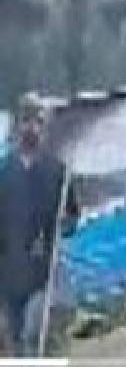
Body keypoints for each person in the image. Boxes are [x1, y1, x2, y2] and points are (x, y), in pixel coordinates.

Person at [0, 96, 78, 357]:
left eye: (36, 121)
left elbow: (72, 216)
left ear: (43, 126)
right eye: (26, 121)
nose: (30, 127)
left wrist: (65, 225)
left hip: (44, 274)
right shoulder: (4, 171)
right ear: (18, 125)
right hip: (9, 274)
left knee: (35, 335)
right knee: (15, 343)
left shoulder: (57, 171)